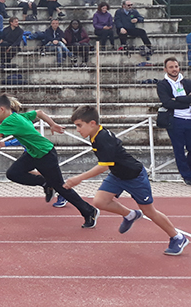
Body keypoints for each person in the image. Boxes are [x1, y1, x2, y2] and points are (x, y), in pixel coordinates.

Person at [0, 94, 100, 229]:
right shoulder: (17, 116)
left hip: (45, 154)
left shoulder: (10, 120)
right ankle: (45, 182)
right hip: (33, 154)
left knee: (61, 187)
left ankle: (89, 211)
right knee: (13, 173)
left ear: (2, 109)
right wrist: (52, 124)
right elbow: (39, 113)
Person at [66, 105, 188, 255]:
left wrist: (78, 179)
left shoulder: (103, 138)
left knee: (150, 212)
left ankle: (177, 237)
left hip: (135, 176)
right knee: (100, 202)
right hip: (117, 175)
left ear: (92, 123)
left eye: (79, 125)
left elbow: (103, 167)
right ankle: (130, 214)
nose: (77, 130)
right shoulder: (95, 135)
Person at [156, 57, 191, 186]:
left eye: (176, 66)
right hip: (175, 121)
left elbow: (173, 101)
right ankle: (187, 176)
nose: (174, 69)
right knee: (179, 150)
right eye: (171, 67)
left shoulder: (187, 83)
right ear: (165, 69)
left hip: (189, 120)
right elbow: (167, 102)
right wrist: (187, 101)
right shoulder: (162, 85)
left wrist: (177, 99)